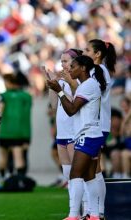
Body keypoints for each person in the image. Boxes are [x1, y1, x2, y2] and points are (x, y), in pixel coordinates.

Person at [47, 55, 107, 220]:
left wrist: (59, 90)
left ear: (83, 68)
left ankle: (73, 215)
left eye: (73, 66)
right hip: (91, 134)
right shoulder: (87, 85)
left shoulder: (87, 86)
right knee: (89, 176)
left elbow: (72, 109)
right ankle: (94, 214)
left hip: (87, 135)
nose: (69, 70)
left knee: (75, 174)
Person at [83, 39, 117, 220]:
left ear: (97, 54)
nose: (84, 52)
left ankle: (96, 211)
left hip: (97, 125)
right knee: (92, 169)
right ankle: (93, 211)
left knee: (93, 168)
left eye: (87, 50)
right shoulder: (95, 71)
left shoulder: (98, 71)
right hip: (95, 124)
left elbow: (90, 95)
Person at [44, 49, 82, 194]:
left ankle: (85, 211)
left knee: (77, 175)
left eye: (65, 61)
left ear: (75, 62)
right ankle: (74, 212)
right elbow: (54, 106)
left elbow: (74, 102)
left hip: (74, 131)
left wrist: (60, 88)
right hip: (62, 132)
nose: (62, 65)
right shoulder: (63, 81)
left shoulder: (78, 80)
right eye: (61, 62)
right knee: (67, 174)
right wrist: (52, 85)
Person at [0, 73, 32, 191]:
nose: (5, 84)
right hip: (22, 132)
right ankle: (21, 181)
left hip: (6, 131)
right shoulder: (27, 96)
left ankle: (1, 179)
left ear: (11, 82)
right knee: (19, 157)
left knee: (3, 158)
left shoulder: (3, 96)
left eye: (6, 82)